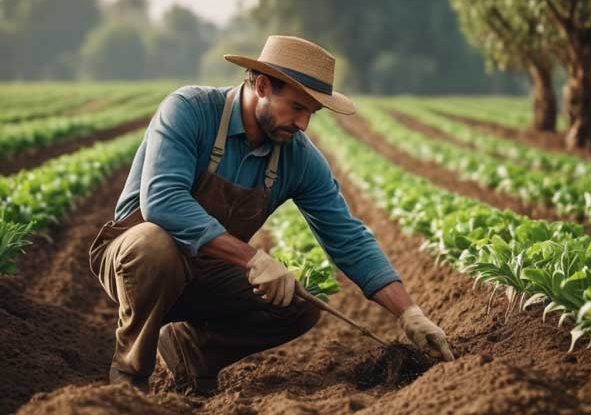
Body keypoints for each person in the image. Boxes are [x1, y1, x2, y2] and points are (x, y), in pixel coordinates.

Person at [88, 35, 454, 396]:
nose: (304, 124)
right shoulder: (190, 109)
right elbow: (163, 201)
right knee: (155, 245)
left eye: (312, 113)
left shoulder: (298, 157)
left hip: (206, 270)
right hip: (133, 259)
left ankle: (190, 353)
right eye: (297, 107)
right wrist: (251, 258)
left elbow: (348, 238)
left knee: (298, 303)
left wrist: (409, 313)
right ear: (262, 85)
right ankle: (129, 382)